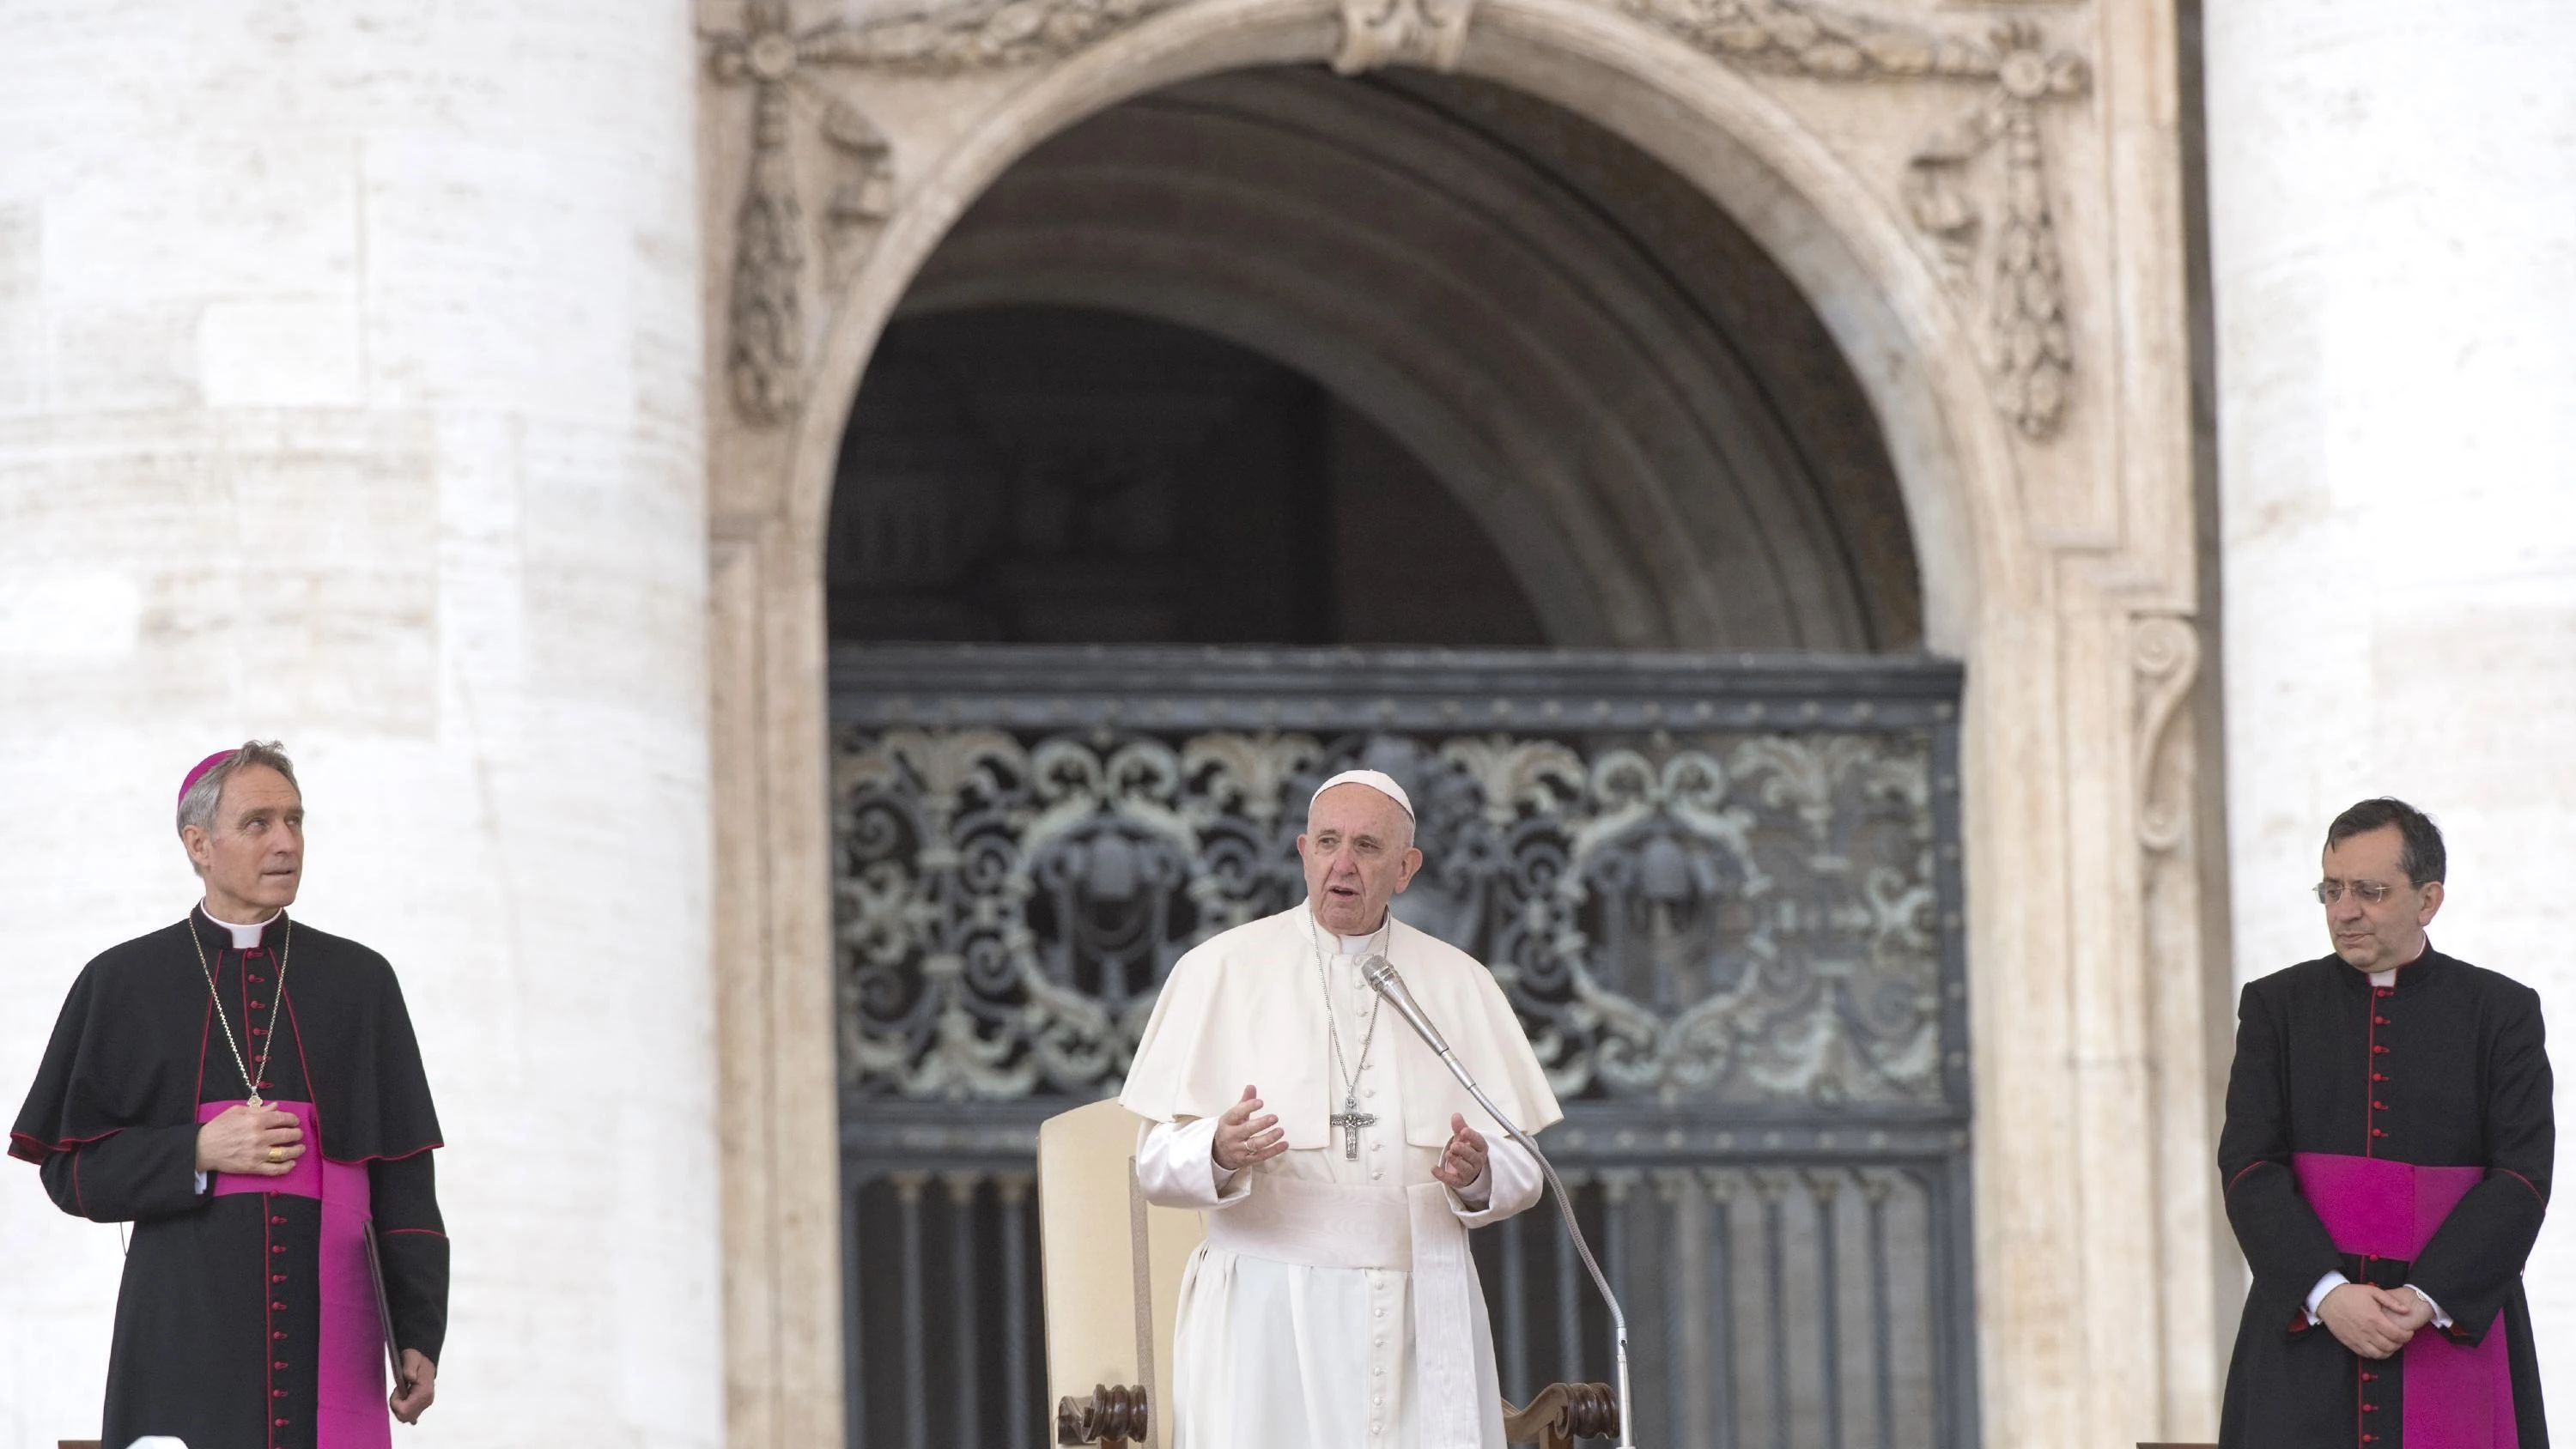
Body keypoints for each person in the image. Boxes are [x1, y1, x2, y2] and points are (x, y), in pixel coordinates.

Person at [10, 742, 448, 1449]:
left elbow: (403, 1177)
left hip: (331, 1333)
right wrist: (197, 1150)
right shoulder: (123, 982)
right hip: (184, 1335)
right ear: (199, 844)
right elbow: (70, 1175)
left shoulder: (361, 982)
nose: (287, 843)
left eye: (296, 821)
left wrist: (419, 1328)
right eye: (258, 824)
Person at [1121, 768, 1562, 1449]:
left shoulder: (1458, 981)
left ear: (1406, 868)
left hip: (1421, 1310)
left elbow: (1525, 1172)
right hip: (1263, 1317)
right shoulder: (1219, 970)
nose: (1343, 864)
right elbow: (1152, 1165)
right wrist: (1215, 1149)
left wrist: (1479, 1173)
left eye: (1367, 846)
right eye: (1328, 842)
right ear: (1303, 852)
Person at [2217, 797, 2551, 1447]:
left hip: (2452, 1328)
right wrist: (2327, 1294)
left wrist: (2425, 1298)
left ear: (2428, 901)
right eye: (2331, 889)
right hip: (2305, 1331)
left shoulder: (2501, 1013)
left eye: (2369, 891)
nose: (2343, 911)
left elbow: (2521, 1179)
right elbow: (2249, 1167)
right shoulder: (2275, 1008)